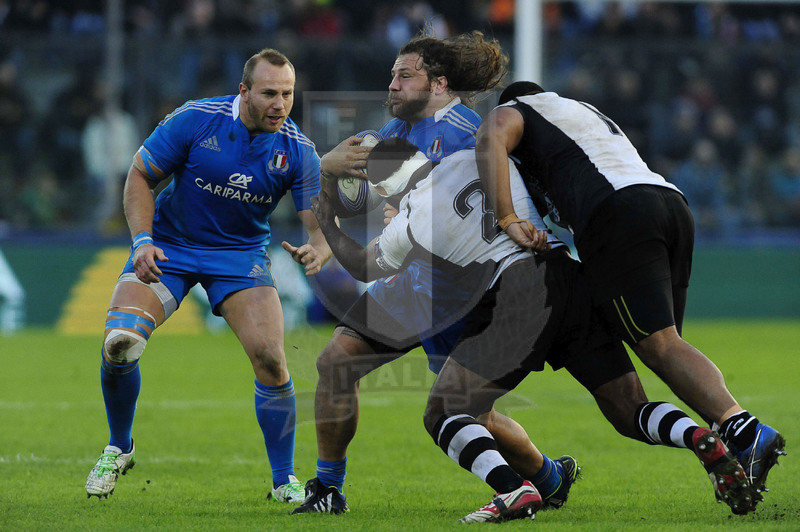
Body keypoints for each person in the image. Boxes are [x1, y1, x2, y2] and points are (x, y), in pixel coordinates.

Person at [309, 137, 757, 522]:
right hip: (568, 274)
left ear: (387, 189)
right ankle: (699, 436)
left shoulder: (407, 220)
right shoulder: (472, 159)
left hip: (517, 296)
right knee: (629, 409)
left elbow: (365, 266)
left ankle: (511, 487)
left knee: (444, 413)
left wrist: (328, 224)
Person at [294, 32, 581, 515]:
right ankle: (327, 489)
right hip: (414, 283)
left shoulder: (471, 134)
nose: (393, 85)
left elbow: (471, 206)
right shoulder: (396, 134)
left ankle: (547, 475)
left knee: (470, 413)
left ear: (440, 85)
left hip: (464, 290)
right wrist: (328, 177)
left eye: (405, 76)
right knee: (336, 361)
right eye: (391, 76)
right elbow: (358, 196)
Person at [475, 81, 786, 506]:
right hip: (669, 204)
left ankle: (746, 431)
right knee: (665, 347)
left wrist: (506, 216)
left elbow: (492, 135)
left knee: (659, 346)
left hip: (616, 213)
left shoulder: (518, 110)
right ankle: (728, 439)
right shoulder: (579, 112)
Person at [84, 48, 332, 504]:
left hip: (238, 258)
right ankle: (119, 446)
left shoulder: (297, 150)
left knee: (273, 360)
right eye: (269, 93)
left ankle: (284, 482)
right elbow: (140, 176)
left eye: (288, 94)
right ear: (244, 91)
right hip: (170, 247)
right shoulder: (196, 120)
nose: (280, 104)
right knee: (121, 342)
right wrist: (142, 241)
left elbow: (319, 226)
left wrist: (318, 251)